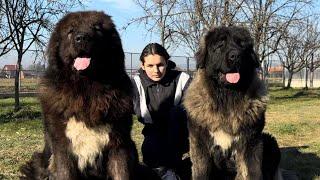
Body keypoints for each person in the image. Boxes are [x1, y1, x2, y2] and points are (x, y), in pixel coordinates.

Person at [132, 43, 192, 180]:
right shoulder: (134, 84)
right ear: (142, 65)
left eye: (160, 65)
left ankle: (172, 170)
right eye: (150, 66)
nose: (156, 70)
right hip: (152, 137)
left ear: (167, 62)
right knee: (151, 147)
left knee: (177, 113)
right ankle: (166, 171)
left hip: (181, 135)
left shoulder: (183, 79)